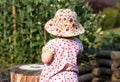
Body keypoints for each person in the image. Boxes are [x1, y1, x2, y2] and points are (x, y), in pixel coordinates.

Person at [40, 8, 85, 82]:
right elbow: (79, 56)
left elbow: (45, 60)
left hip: (54, 78)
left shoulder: (53, 43)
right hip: (72, 77)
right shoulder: (78, 43)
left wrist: (44, 52)